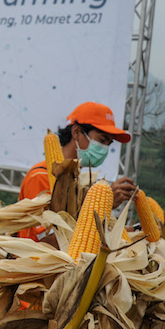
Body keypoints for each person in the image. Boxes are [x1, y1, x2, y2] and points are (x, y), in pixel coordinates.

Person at [18, 101, 136, 242]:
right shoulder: (41, 176)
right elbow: (45, 241)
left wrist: (138, 230)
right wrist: (102, 207)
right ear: (76, 132)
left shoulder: (79, 181)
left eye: (108, 144)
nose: (104, 149)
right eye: (102, 140)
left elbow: (86, 229)